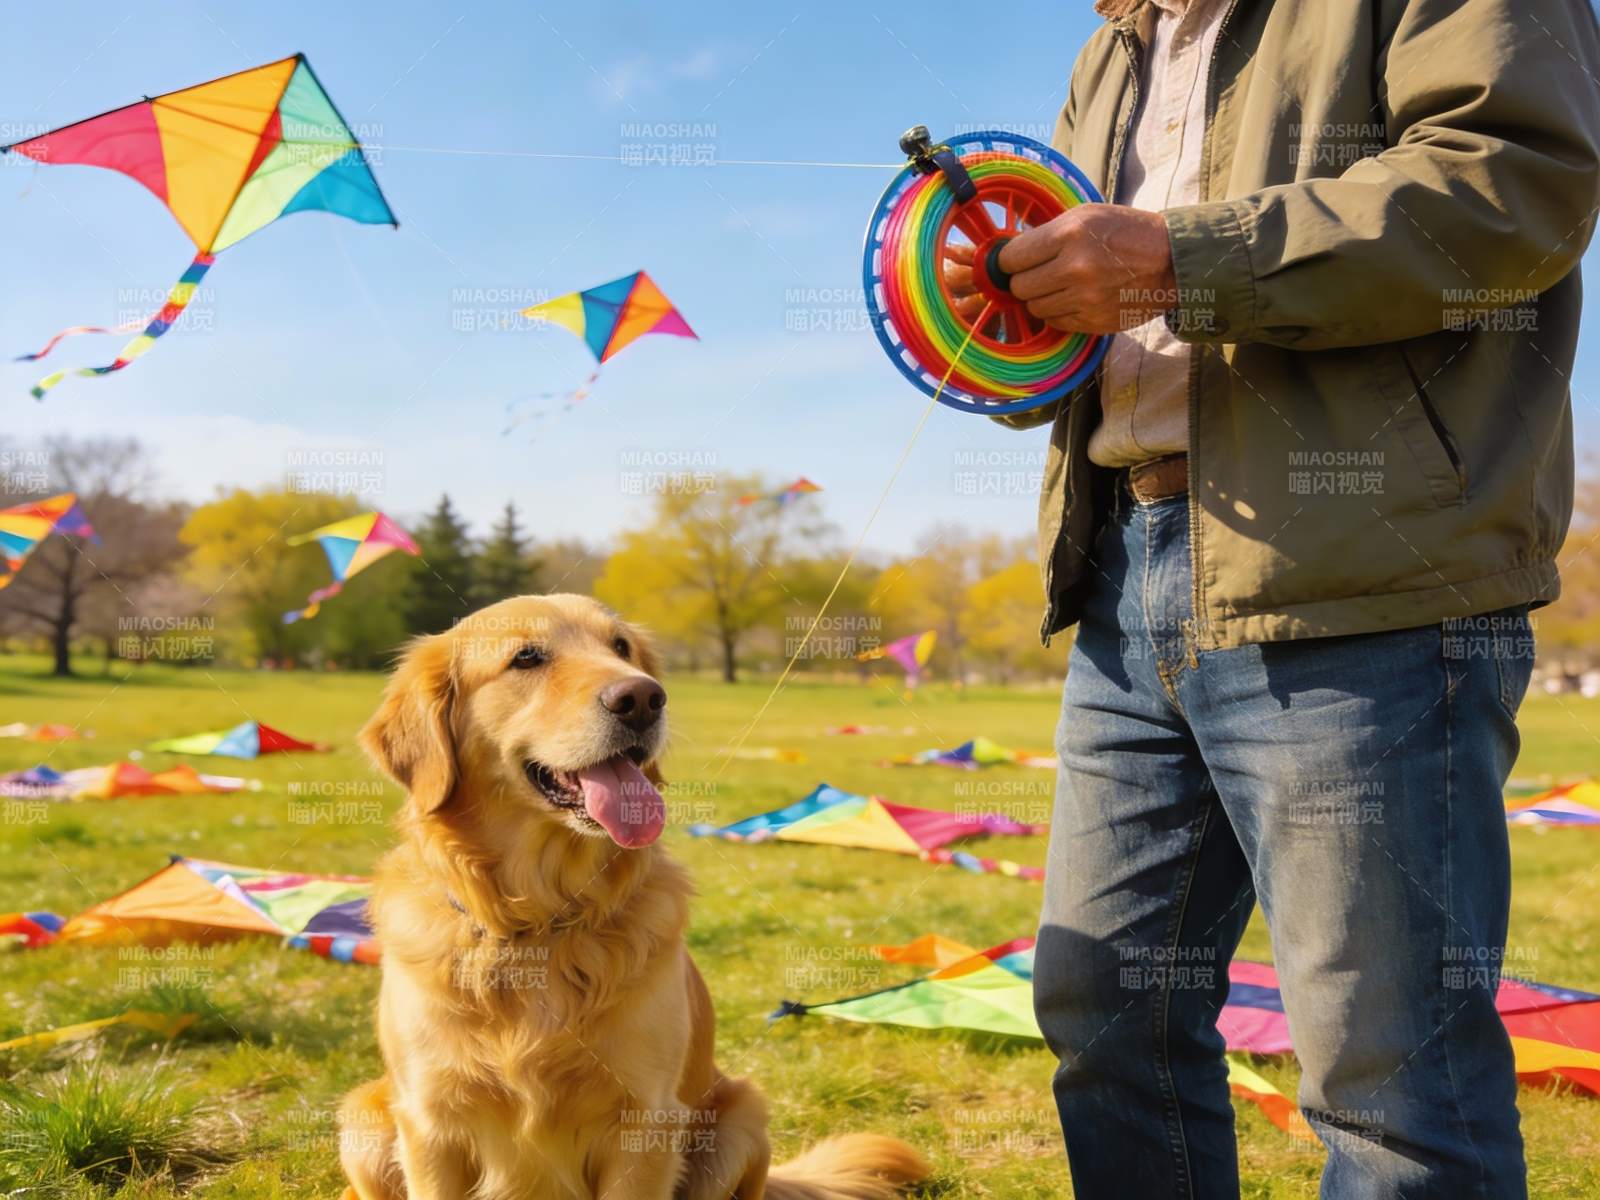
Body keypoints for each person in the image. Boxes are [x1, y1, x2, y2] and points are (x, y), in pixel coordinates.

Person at [962, 0, 1600, 1194]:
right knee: (1105, 1017)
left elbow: (1517, 184)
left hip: (1367, 580)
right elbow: (1078, 322)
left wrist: (1176, 259)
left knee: (1389, 1084)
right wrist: (1001, 312)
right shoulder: (1111, 43)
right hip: (1122, 578)